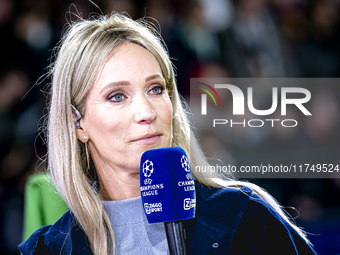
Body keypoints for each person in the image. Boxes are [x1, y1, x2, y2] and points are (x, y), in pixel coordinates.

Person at [19, 12, 317, 255]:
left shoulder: (246, 217)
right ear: (78, 123)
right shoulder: (44, 249)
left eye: (156, 89)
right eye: (117, 96)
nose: (147, 112)